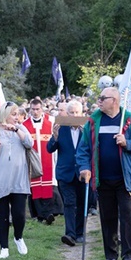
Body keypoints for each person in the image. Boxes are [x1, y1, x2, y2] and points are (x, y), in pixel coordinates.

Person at [76, 87, 131, 260]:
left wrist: (127, 143)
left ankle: (128, 255)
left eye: (102, 98)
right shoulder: (93, 121)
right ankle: (111, 254)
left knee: (127, 217)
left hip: (125, 178)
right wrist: (84, 168)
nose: (98, 101)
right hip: (102, 178)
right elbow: (83, 149)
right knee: (107, 217)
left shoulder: (130, 119)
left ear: (114, 100)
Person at [0, 101, 33, 259]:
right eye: (14, 114)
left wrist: (17, 129)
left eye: (18, 114)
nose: (17, 117)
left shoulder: (21, 129)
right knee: (2, 215)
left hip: (19, 179)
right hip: (0, 179)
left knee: (19, 214)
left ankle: (18, 237)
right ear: (5, 115)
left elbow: (29, 144)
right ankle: (4, 247)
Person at [47, 100, 87, 246]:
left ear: (81, 113)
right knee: (69, 203)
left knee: (82, 203)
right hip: (65, 173)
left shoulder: (87, 130)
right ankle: (70, 234)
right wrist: (55, 137)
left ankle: (79, 232)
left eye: (77, 112)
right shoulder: (61, 129)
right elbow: (50, 149)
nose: (74, 115)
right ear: (67, 113)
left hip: (83, 172)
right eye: (71, 112)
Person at [23, 98, 56, 224]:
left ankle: (48, 213)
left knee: (47, 186)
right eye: (33, 109)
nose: (35, 112)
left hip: (48, 160)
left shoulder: (50, 122)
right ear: (30, 109)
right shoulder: (25, 125)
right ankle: (39, 214)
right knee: (35, 186)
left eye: (37, 109)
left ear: (42, 109)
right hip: (32, 161)